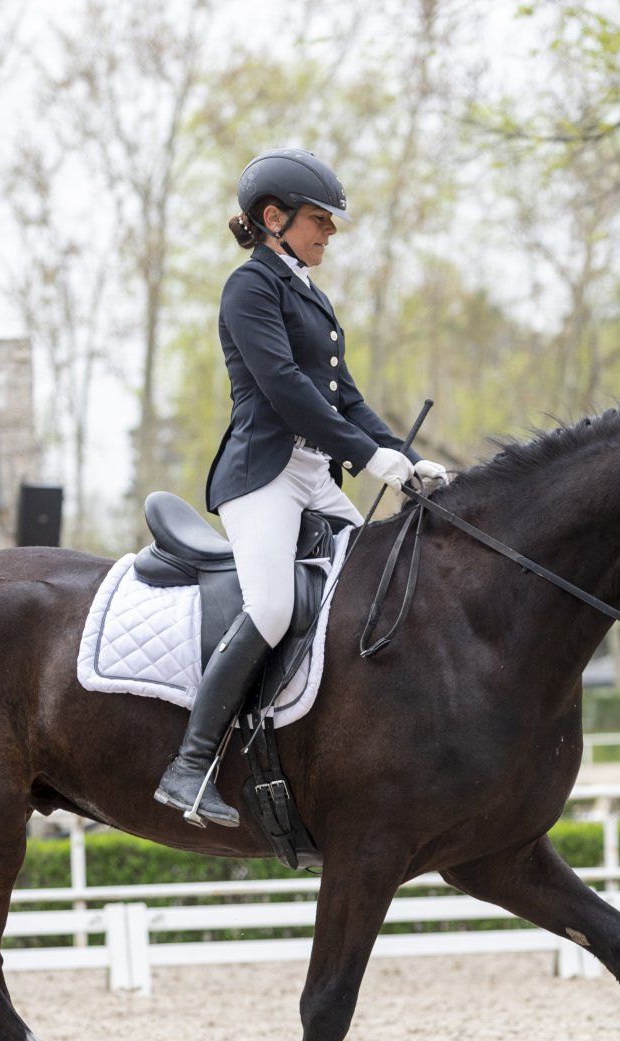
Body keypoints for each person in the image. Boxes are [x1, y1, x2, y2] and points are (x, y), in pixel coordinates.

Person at [153, 148, 451, 827]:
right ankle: (190, 765)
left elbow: (345, 397)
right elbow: (286, 391)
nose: (330, 233)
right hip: (262, 478)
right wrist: (369, 460)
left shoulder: (308, 291)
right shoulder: (249, 287)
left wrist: (406, 456)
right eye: (320, 220)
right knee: (272, 607)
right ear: (273, 218)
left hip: (313, 475)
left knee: (373, 586)